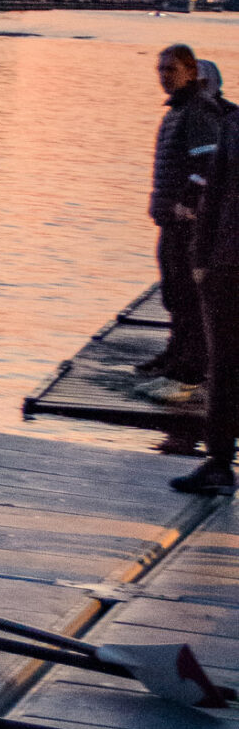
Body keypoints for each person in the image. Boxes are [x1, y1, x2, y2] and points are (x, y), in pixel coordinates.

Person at [177, 75, 239, 496]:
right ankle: (218, 463)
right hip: (227, 264)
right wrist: (200, 258)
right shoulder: (233, 125)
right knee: (225, 367)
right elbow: (214, 192)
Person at [146, 44, 206, 387]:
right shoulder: (177, 111)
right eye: (161, 70)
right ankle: (176, 355)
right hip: (169, 218)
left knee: (185, 293)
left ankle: (189, 367)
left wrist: (187, 203)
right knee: (173, 291)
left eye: (171, 69)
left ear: (191, 71)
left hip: (185, 223)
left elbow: (207, 162)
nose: (165, 76)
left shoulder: (196, 111)